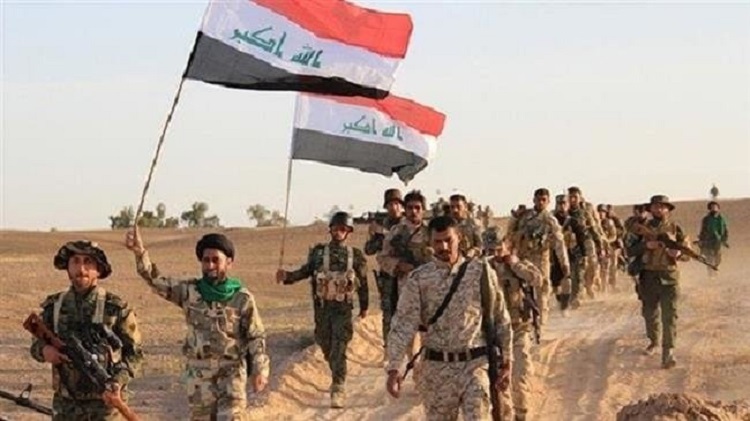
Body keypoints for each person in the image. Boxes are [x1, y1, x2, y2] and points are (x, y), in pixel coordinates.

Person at [126, 230, 269, 420]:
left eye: (215, 260)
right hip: (199, 376)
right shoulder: (189, 292)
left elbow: (255, 336)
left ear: (229, 262)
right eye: (205, 260)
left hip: (231, 373)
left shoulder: (242, 298)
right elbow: (155, 280)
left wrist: (259, 369)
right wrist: (139, 253)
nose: (210, 265)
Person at [385, 216, 512, 419]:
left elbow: (500, 317)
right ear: (430, 242)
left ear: (459, 238)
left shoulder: (480, 272)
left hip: (474, 365)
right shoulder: (419, 279)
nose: (443, 246)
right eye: (437, 241)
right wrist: (393, 368)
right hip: (437, 371)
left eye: (448, 240)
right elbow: (403, 325)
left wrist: (507, 361)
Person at [31, 240, 142, 420]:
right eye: (75, 261)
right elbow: (36, 343)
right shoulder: (54, 307)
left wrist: (117, 381)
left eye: (88, 262)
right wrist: (44, 351)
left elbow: (135, 354)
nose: (81, 269)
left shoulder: (116, 309)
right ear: (68, 268)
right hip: (66, 407)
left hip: (106, 407)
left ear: (99, 269)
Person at [276, 212, 368, 408]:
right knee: (325, 344)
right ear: (330, 230)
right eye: (336, 228)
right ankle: (336, 370)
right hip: (323, 309)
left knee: (339, 346)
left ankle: (338, 387)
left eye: (343, 229)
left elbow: (363, 282)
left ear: (348, 232)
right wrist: (287, 277)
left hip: (343, 309)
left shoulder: (355, 256)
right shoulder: (318, 253)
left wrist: (364, 306)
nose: (339, 232)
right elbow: (306, 271)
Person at [627, 195, 689, 369]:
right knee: (650, 313)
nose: (659, 209)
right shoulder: (640, 229)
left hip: (669, 278)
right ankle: (654, 340)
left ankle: (668, 352)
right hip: (648, 277)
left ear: (668, 209)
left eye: (662, 206)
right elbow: (629, 250)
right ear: (650, 209)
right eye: (655, 206)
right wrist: (646, 246)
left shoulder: (676, 228)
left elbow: (687, 253)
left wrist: (679, 254)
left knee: (670, 316)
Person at [490, 236, 543, 421]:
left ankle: (521, 414)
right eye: (492, 251)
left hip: (518, 328)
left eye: (499, 249)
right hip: (494, 334)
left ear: (507, 246)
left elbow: (537, 279)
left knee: (519, 374)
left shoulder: (519, 265)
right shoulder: (483, 269)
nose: (496, 254)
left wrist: (516, 266)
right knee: (499, 382)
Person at [509, 188, 569, 324]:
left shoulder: (550, 220)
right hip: (523, 258)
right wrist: (515, 217)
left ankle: (541, 322)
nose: (541, 202)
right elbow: (510, 233)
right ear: (533, 200)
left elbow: (559, 243)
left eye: (544, 200)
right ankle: (523, 321)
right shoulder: (524, 216)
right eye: (538, 199)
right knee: (520, 290)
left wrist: (564, 263)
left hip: (541, 258)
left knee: (542, 290)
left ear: (548, 201)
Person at [364, 189, 404, 346]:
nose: (394, 207)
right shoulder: (380, 226)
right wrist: (376, 236)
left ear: (401, 206)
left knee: (408, 313)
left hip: (405, 277)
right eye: (390, 204)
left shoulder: (407, 224)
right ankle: (389, 348)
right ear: (386, 207)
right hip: (387, 278)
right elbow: (368, 250)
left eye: (397, 204)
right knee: (388, 315)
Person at [697, 201, 729, 278]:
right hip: (708, 241)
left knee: (718, 258)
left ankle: (715, 269)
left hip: (718, 241)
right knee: (709, 258)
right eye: (712, 207)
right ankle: (711, 274)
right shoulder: (706, 219)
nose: (714, 208)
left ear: (718, 208)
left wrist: (724, 240)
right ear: (709, 209)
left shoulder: (721, 219)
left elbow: (725, 230)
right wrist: (701, 240)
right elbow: (703, 230)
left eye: (715, 207)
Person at [449, 193, 484, 258]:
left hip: (470, 260)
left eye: (458, 207)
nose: (455, 210)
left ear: (465, 207)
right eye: (452, 207)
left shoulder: (474, 224)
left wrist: (473, 251)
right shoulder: (448, 224)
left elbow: (481, 245)